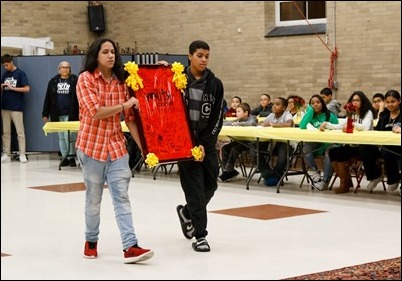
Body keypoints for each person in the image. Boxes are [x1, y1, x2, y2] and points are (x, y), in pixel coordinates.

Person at [75, 38, 154, 263]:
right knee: (94, 200)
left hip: (117, 149)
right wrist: (124, 105)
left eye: (113, 52)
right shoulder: (85, 79)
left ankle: (130, 246)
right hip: (91, 148)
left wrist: (145, 150)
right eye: (105, 52)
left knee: (122, 197)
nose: (111, 56)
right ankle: (91, 241)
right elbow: (94, 112)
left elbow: (130, 120)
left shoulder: (121, 82)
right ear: (96, 55)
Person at [175, 40, 224, 252]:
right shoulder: (176, 80)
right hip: (184, 144)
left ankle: (187, 212)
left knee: (211, 185)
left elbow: (217, 118)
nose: (204, 60)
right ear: (189, 56)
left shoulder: (215, 84)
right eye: (200, 55)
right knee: (194, 189)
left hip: (207, 145)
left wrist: (206, 144)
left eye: (207, 56)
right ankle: (200, 235)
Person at [327, 91, 376, 194]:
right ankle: (346, 182)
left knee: (340, 154)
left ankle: (344, 184)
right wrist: (327, 125)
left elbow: (366, 128)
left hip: (366, 147)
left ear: (363, 101)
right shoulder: (351, 113)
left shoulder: (368, 112)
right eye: (353, 100)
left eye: (358, 100)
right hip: (352, 145)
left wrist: (352, 125)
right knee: (333, 152)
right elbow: (341, 125)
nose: (355, 102)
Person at [42, 61, 79, 167]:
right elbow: (47, 98)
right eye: (63, 67)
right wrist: (45, 113)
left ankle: (71, 157)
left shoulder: (75, 80)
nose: (65, 69)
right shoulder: (53, 81)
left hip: (71, 113)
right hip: (57, 114)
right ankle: (65, 157)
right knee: (62, 137)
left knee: (70, 136)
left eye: (67, 67)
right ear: (59, 69)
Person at [299, 94, 339, 191]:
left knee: (329, 152)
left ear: (322, 103)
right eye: (312, 103)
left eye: (318, 102)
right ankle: (315, 171)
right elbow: (302, 126)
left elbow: (338, 129)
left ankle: (325, 181)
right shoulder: (311, 115)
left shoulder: (329, 115)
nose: (315, 105)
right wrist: (310, 110)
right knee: (305, 148)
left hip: (330, 142)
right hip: (317, 142)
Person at [368, 90, 401, 193]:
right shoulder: (384, 116)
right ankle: (375, 175)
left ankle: (393, 178)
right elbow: (377, 131)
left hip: (398, 147)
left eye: (393, 101)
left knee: (386, 151)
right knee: (365, 147)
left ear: (399, 101)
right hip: (384, 147)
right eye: (387, 102)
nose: (390, 104)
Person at [257, 97, 294, 186]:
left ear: (284, 108)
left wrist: (274, 125)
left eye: (277, 104)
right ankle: (269, 173)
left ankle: (276, 176)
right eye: (273, 104)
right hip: (272, 142)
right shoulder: (271, 115)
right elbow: (260, 123)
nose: (274, 106)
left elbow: (289, 124)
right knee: (256, 150)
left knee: (282, 157)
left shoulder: (287, 114)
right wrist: (263, 124)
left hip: (286, 143)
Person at [1, 54, 30, 163]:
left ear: (12, 62)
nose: (5, 67)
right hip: (5, 106)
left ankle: (22, 153)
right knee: (6, 132)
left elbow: (27, 89)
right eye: (4, 65)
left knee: (20, 131)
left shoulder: (20, 73)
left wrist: (13, 88)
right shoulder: (5, 74)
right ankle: (6, 153)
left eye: (7, 65)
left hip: (16, 107)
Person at [219, 103, 257, 182]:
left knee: (234, 149)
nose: (237, 113)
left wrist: (238, 124)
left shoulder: (252, 117)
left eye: (239, 111)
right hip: (240, 141)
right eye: (236, 111)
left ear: (246, 113)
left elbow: (252, 123)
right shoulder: (239, 119)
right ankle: (229, 171)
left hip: (251, 142)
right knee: (225, 148)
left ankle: (228, 171)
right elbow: (229, 123)